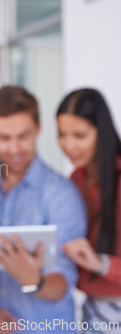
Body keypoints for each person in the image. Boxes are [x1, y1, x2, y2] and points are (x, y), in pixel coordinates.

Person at [0, 85, 87, 334]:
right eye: (4, 138)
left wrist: (34, 280)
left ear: (38, 129)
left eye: (23, 136)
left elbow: (63, 282)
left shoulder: (62, 194)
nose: (15, 148)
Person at [57, 88, 121, 333]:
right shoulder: (74, 180)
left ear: (101, 133)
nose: (69, 145)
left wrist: (101, 264)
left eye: (80, 135)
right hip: (91, 310)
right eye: (61, 134)